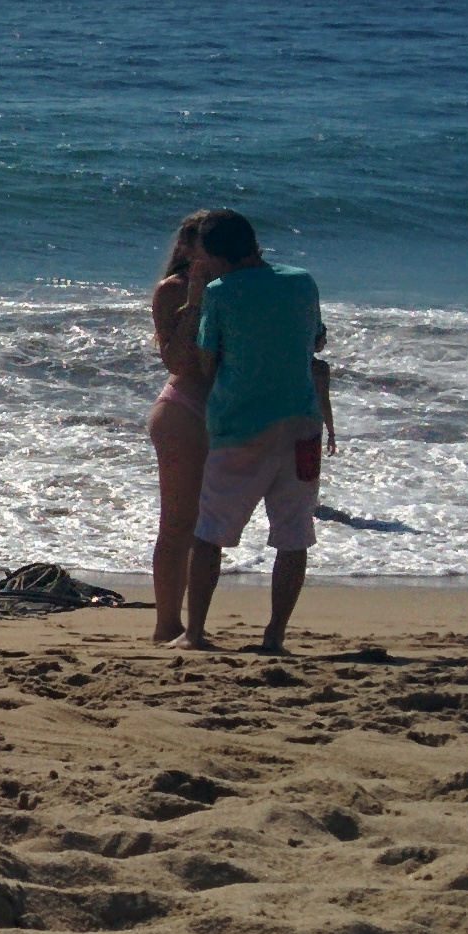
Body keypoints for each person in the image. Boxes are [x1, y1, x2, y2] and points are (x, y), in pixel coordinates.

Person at [179, 209, 331, 653]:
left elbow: (207, 362)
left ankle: (195, 633)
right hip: (303, 422)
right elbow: (316, 340)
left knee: (210, 533)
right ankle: (274, 636)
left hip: (241, 424)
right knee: (293, 534)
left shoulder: (221, 293)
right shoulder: (302, 280)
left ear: (213, 253)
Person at [146, 211, 228, 643]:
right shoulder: (172, 292)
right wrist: (196, 300)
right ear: (186, 251)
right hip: (185, 408)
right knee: (178, 523)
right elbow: (178, 361)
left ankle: (195, 625)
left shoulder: (237, 288)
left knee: (211, 526)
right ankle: (167, 624)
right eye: (205, 248)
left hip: (233, 411)